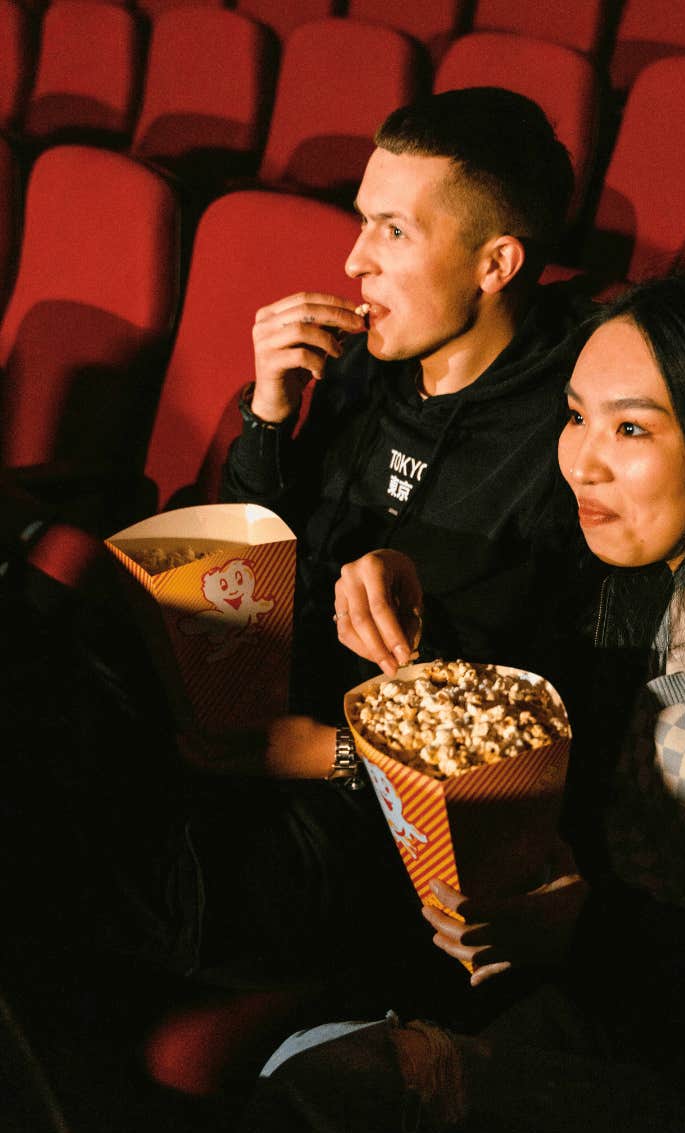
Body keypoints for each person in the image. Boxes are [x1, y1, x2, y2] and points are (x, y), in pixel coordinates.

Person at [212, 262, 685, 1133]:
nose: (580, 459)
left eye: (630, 427)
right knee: (305, 1069)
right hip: (602, 1015)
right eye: (576, 415)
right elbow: (525, 742)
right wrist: (412, 605)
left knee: (331, 1105)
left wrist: (586, 932)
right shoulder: (631, 579)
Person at [184, 87, 597, 997]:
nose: (354, 259)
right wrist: (266, 421)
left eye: (392, 231)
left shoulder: (570, 433)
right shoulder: (363, 371)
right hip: (248, 739)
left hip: (372, 833)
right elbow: (238, 579)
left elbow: (514, 748)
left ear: (496, 264)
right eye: (361, 223)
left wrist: (312, 753)